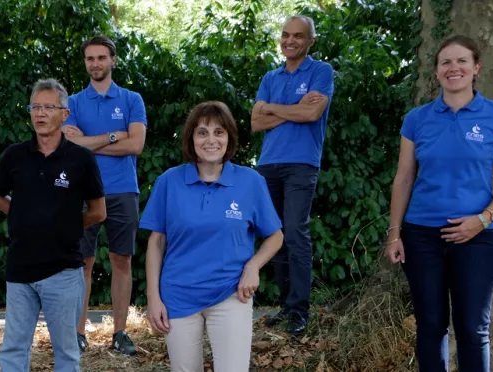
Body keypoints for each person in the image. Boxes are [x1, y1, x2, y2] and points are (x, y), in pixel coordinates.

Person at [384, 35, 493, 372]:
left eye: (462, 61)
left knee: (473, 330)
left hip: (478, 236)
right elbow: (404, 177)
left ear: (476, 67)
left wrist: (483, 218)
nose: (454, 68)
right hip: (421, 237)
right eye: (446, 62)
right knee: (431, 326)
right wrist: (394, 233)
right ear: (436, 72)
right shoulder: (417, 119)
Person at [139, 101, 284, 372]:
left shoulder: (250, 182)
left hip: (231, 293)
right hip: (178, 296)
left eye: (219, 132)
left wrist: (253, 266)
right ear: (191, 138)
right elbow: (156, 242)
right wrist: (153, 297)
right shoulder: (169, 181)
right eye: (202, 132)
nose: (211, 140)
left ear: (229, 138)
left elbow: (276, 236)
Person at [0, 79, 105, 372]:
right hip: (20, 270)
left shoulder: (81, 158)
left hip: (64, 270)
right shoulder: (15, 155)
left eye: (48, 107)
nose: (40, 113)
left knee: (66, 351)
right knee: (13, 348)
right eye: (35, 107)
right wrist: (22, 214)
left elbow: (98, 211)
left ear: (64, 114)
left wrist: (65, 224)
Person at [59, 35, 148, 354]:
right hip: (83, 192)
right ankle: (78, 332)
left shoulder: (131, 100)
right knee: (81, 262)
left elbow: (136, 145)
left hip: (123, 190)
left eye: (101, 57)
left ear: (113, 60)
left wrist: (91, 142)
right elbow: (70, 146)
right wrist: (113, 135)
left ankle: (120, 333)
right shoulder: (73, 103)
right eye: (89, 58)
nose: (95, 63)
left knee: (121, 260)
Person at [248, 14, 335, 336]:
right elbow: (256, 122)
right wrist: (292, 108)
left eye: (298, 36)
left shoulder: (321, 71)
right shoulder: (271, 76)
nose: (290, 41)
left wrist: (273, 108)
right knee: (275, 234)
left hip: (301, 164)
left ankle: (299, 311)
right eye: (286, 35)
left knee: (295, 233)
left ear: (310, 40)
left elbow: (312, 113)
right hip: (268, 164)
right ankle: (285, 308)